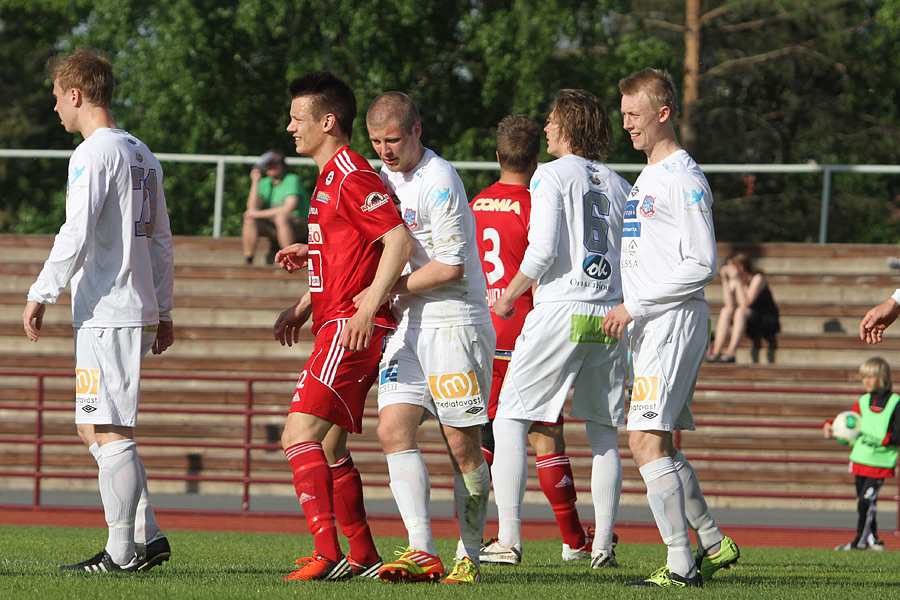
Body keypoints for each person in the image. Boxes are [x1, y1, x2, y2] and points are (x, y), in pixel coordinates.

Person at [22, 47, 175, 573]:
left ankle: (120, 553)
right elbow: (160, 239)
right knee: (92, 427)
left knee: (108, 429)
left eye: (57, 100)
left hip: (109, 309)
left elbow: (76, 231)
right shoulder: (142, 152)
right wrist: (166, 307)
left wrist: (41, 291)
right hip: (124, 306)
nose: (56, 111)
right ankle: (145, 534)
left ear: (76, 94)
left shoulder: (92, 153)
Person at [272, 71, 413, 582]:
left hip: (350, 328)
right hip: (332, 321)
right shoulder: (330, 176)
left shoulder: (351, 174)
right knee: (329, 445)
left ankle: (327, 554)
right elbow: (348, 255)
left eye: (297, 117)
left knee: (297, 434)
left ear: (327, 121)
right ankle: (363, 555)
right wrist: (303, 305)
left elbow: (397, 241)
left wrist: (366, 306)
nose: (290, 127)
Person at [602, 67, 740, 587]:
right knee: (661, 445)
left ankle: (682, 564)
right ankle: (711, 540)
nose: (628, 125)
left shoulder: (683, 177)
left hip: (672, 322)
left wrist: (634, 305)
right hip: (652, 325)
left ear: (662, 114)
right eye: (623, 116)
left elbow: (702, 262)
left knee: (643, 441)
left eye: (634, 115)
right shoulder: (649, 176)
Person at [487, 91, 629, 570]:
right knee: (604, 433)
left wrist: (509, 295)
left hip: (562, 307)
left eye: (551, 121)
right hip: (609, 313)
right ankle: (603, 544)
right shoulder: (619, 183)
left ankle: (508, 539)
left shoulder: (550, 173)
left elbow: (543, 249)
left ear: (567, 125)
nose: (545, 128)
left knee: (509, 418)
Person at [365, 91, 494, 584]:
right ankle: (422, 550)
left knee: (462, 449)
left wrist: (383, 291)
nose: (385, 150)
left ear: (417, 130)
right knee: (392, 429)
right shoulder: (381, 176)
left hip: (454, 320)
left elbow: (450, 266)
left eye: (393, 140)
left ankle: (471, 554)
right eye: (377, 141)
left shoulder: (439, 180)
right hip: (407, 322)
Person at [471, 114, 599, 566]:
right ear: (537, 156)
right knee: (546, 434)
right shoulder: (538, 200)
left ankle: (477, 534)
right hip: (529, 330)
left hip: (485, 332)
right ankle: (574, 540)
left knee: (487, 435)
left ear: (498, 155)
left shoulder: (477, 203)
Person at [823, 357, 899, 551]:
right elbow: (849, 421)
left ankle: (859, 542)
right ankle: (873, 540)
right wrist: (830, 425)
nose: (866, 380)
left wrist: (886, 439)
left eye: (871, 376)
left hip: (882, 463)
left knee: (867, 501)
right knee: (864, 504)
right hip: (859, 460)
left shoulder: (895, 402)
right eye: (863, 377)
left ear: (882, 377)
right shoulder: (863, 400)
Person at [706, 252, 780, 363]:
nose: (727, 269)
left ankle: (731, 352)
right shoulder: (735, 280)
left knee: (741, 311)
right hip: (746, 320)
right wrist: (725, 281)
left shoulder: (757, 279)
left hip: (766, 320)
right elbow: (729, 304)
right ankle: (716, 351)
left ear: (740, 268)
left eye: (730, 266)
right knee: (726, 310)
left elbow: (745, 304)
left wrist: (736, 280)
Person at [242, 150, 309, 264]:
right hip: (276, 226)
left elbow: (289, 208)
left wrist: (257, 213)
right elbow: (251, 208)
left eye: (275, 163)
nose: (272, 166)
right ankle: (249, 259)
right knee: (249, 217)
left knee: (281, 217)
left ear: (283, 165)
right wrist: (255, 181)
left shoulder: (291, 179)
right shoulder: (264, 182)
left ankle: (290, 259)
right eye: (269, 164)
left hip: (299, 224)